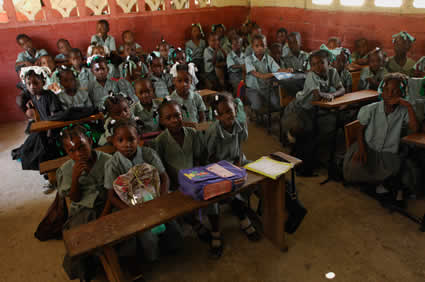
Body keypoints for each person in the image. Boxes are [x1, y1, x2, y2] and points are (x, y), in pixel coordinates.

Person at [104, 119, 183, 262]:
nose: (127, 144)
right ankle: (153, 259)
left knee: (173, 227)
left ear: (138, 139)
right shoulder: (112, 164)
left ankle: (174, 249)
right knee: (148, 237)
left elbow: (164, 178)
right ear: (113, 142)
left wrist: (161, 199)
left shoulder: (148, 154)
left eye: (131, 139)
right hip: (133, 205)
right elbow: (111, 195)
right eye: (120, 140)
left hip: (157, 198)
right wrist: (131, 211)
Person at [343, 73, 419, 206]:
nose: (391, 94)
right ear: (382, 92)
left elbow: (415, 129)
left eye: (396, 91)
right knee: (353, 170)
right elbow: (359, 130)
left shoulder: (403, 111)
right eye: (387, 90)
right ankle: (383, 184)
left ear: (402, 94)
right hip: (368, 147)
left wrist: (408, 106)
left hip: (388, 153)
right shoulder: (371, 109)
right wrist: (361, 149)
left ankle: (381, 186)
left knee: (402, 171)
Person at [203, 94, 261, 252]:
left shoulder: (239, 123)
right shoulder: (214, 132)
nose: (228, 115)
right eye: (223, 113)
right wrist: (228, 170)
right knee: (220, 189)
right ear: (218, 116)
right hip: (215, 168)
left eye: (231, 111)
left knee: (258, 174)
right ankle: (224, 228)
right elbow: (209, 156)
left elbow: (241, 144)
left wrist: (237, 164)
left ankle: (252, 209)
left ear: (236, 110)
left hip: (236, 162)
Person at [57, 125, 112, 281]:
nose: (78, 154)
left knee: (117, 231)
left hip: (107, 204)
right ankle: (85, 273)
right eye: (72, 151)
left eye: (81, 147)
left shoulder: (107, 161)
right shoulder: (67, 169)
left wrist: (104, 215)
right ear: (66, 152)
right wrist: (75, 177)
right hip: (82, 209)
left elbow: (112, 192)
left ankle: (116, 262)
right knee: (79, 240)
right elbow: (74, 198)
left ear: (90, 141)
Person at [281, 50, 345, 176]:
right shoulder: (312, 75)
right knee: (306, 133)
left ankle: (303, 162)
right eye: (314, 64)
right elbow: (316, 96)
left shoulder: (333, 72)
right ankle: (300, 165)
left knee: (313, 132)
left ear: (329, 63)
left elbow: (342, 89)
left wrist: (331, 94)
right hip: (300, 108)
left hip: (314, 109)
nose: (318, 67)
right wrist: (327, 95)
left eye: (321, 63)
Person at [245, 34, 286, 114]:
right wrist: (275, 74)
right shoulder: (248, 59)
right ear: (252, 47)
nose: (260, 48)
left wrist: (286, 70)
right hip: (253, 89)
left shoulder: (268, 58)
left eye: (262, 45)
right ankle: (252, 112)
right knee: (257, 105)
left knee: (278, 104)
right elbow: (261, 76)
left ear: (266, 46)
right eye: (257, 46)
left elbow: (278, 69)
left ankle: (264, 106)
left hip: (267, 88)